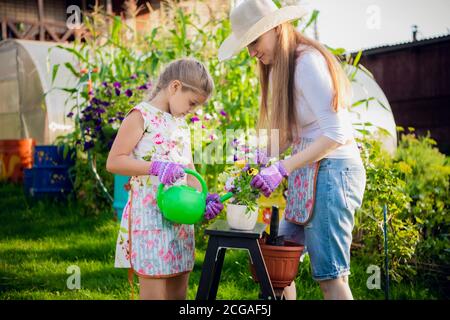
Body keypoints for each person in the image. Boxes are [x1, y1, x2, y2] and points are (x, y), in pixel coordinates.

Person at [218, 0, 366, 300]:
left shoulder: (307, 62)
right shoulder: (278, 68)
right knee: (276, 267)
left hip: (333, 171)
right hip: (308, 171)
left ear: (275, 28)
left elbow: (336, 134)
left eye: (254, 41)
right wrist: (255, 163)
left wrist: (281, 168)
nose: (251, 52)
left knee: (330, 275)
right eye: (246, 45)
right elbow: (292, 134)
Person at [106, 58, 223, 300]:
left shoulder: (181, 124)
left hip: (179, 219)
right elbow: (115, 161)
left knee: (178, 293)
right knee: (154, 293)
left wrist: (203, 196)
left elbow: (187, 166)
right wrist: (155, 167)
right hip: (149, 217)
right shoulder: (141, 116)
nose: (191, 110)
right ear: (175, 86)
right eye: (192, 103)